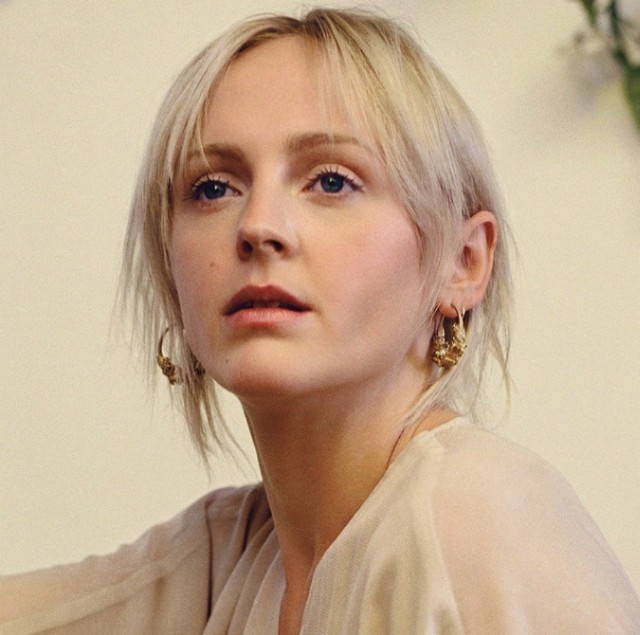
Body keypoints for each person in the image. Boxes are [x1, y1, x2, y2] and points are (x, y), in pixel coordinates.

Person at [1, 7, 639, 634]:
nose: (258, 226)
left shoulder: (477, 519)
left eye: (331, 181)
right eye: (213, 187)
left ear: (463, 262)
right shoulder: (225, 563)